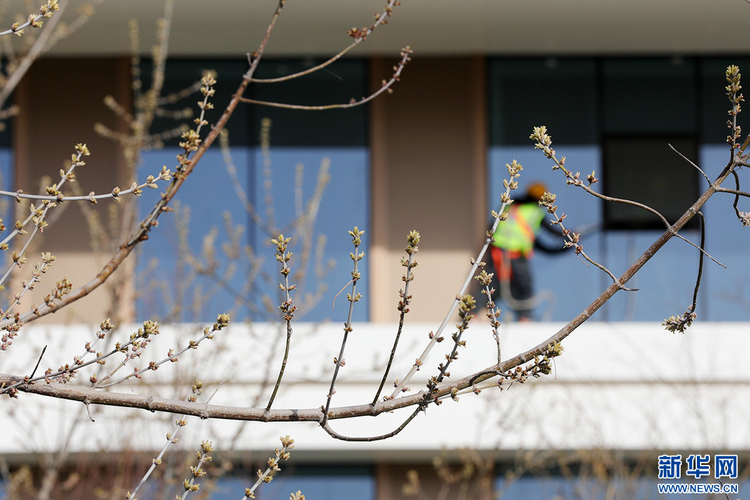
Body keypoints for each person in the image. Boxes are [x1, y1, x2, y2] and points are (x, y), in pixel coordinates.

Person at [487, 182, 565, 321]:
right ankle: (524, 319)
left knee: (492, 283)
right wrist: (569, 237)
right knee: (523, 286)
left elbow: (492, 226)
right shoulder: (534, 211)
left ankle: (476, 314)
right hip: (516, 253)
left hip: (497, 249)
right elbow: (551, 233)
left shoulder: (510, 205)